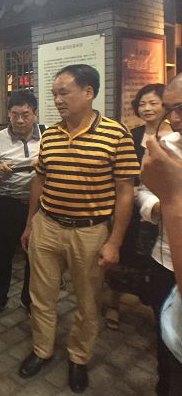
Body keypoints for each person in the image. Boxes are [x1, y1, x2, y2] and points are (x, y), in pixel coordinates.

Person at [18, 64, 139, 393]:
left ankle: (79, 357)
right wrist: (30, 224)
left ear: (88, 92)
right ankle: (42, 350)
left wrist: (114, 242)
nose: (57, 100)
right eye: (54, 94)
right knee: (41, 296)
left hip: (90, 231)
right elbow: (39, 180)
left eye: (64, 92)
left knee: (87, 301)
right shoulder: (50, 135)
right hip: (47, 225)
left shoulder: (116, 134)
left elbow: (125, 192)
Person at [104, 83, 172, 330]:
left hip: (165, 209)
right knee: (123, 253)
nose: (147, 108)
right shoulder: (132, 136)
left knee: (157, 261)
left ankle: (159, 308)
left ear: (166, 105)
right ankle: (114, 303)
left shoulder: (175, 137)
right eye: (142, 104)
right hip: (130, 205)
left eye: (153, 103)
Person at [137, 75, 182, 396]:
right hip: (164, 260)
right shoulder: (168, 146)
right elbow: (143, 190)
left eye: (181, 108)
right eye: (170, 109)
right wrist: (156, 206)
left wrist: (173, 199)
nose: (174, 118)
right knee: (165, 342)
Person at [0, 91, 39, 320]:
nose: (20, 120)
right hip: (6, 203)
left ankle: (29, 299)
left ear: (35, 114)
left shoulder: (47, 136)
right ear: (9, 114)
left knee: (34, 256)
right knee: (3, 254)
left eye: (25, 115)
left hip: (37, 206)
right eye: (15, 115)